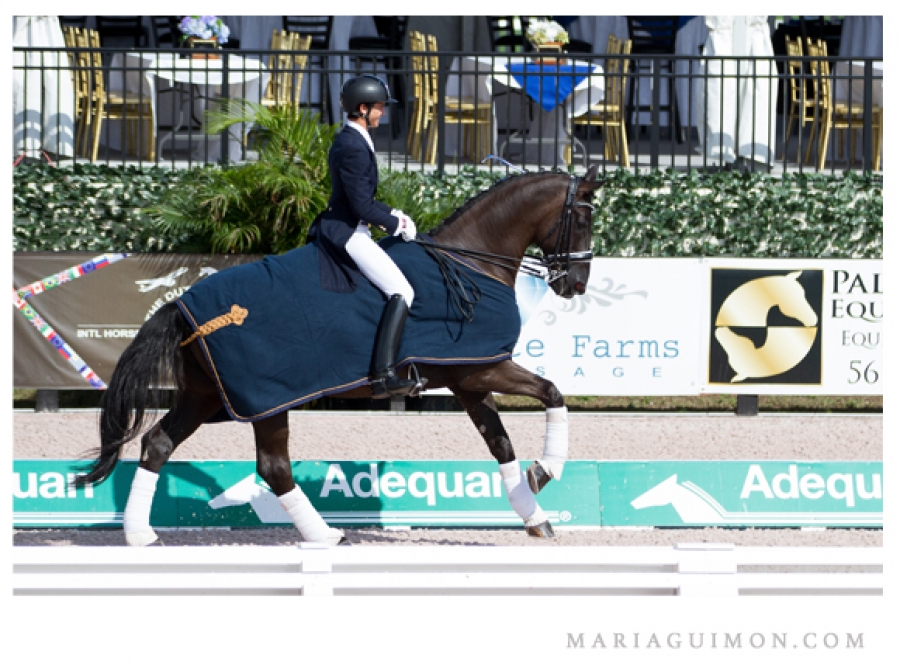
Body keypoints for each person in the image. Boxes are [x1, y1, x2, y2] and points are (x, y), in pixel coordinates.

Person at [307, 74, 423, 399]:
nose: (383, 113)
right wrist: (394, 225)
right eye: (379, 107)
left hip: (353, 225)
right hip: (347, 232)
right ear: (363, 108)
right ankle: (384, 375)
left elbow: (364, 199)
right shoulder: (353, 146)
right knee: (402, 290)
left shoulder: (355, 139)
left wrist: (393, 213)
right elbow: (359, 205)